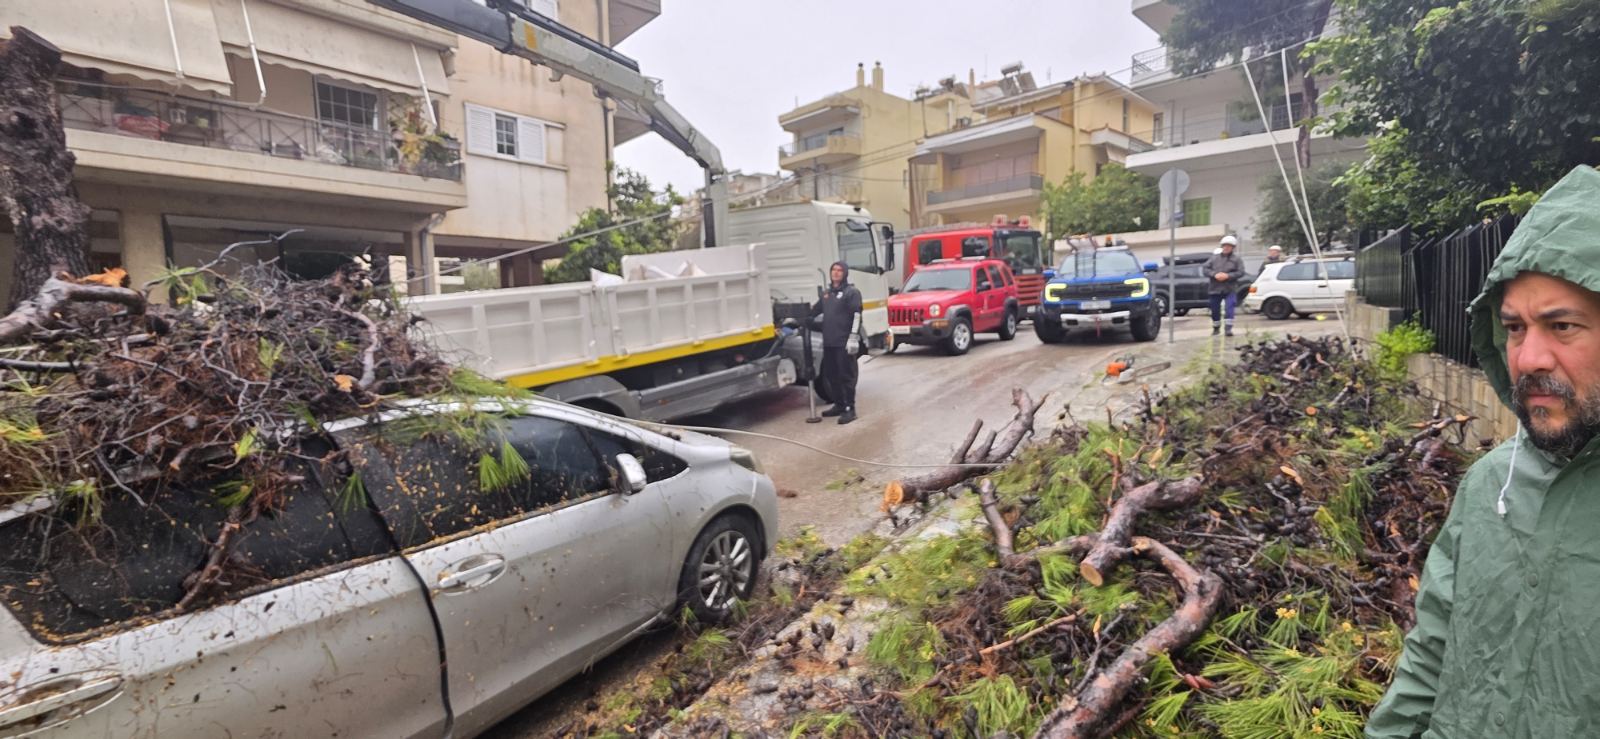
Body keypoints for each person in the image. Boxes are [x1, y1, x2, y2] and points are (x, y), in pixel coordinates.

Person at [1366, 165, 1600, 738]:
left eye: (1562, 325)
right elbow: (1431, 657)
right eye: (1515, 328)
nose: (1528, 358)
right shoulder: (1491, 483)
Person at [810, 261, 863, 424]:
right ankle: (839, 405)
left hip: (844, 343)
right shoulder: (827, 294)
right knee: (832, 376)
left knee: (846, 376)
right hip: (829, 343)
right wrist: (799, 318)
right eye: (833, 270)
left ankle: (850, 409)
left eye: (840, 270)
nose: (836, 273)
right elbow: (814, 312)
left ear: (845, 273)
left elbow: (857, 316)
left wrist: (853, 337)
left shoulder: (851, 292)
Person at [1202, 236, 1246, 336]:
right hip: (1214, 289)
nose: (1226, 248)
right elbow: (1205, 269)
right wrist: (1214, 275)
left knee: (1229, 308)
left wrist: (1228, 276)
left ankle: (1228, 329)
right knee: (1215, 309)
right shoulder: (1214, 258)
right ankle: (1216, 328)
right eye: (1225, 246)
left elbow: (1241, 272)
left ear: (1233, 247)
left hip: (1229, 288)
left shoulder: (1237, 259)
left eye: (1229, 246)